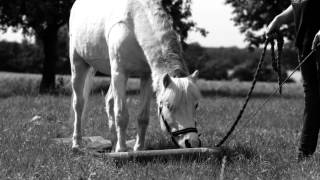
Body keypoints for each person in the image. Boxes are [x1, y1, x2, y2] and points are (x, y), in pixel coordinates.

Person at [266, 0, 320, 161]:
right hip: (306, 47)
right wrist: (278, 20)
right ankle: (304, 155)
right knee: (313, 101)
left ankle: (304, 154)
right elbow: (299, 5)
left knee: (314, 102)